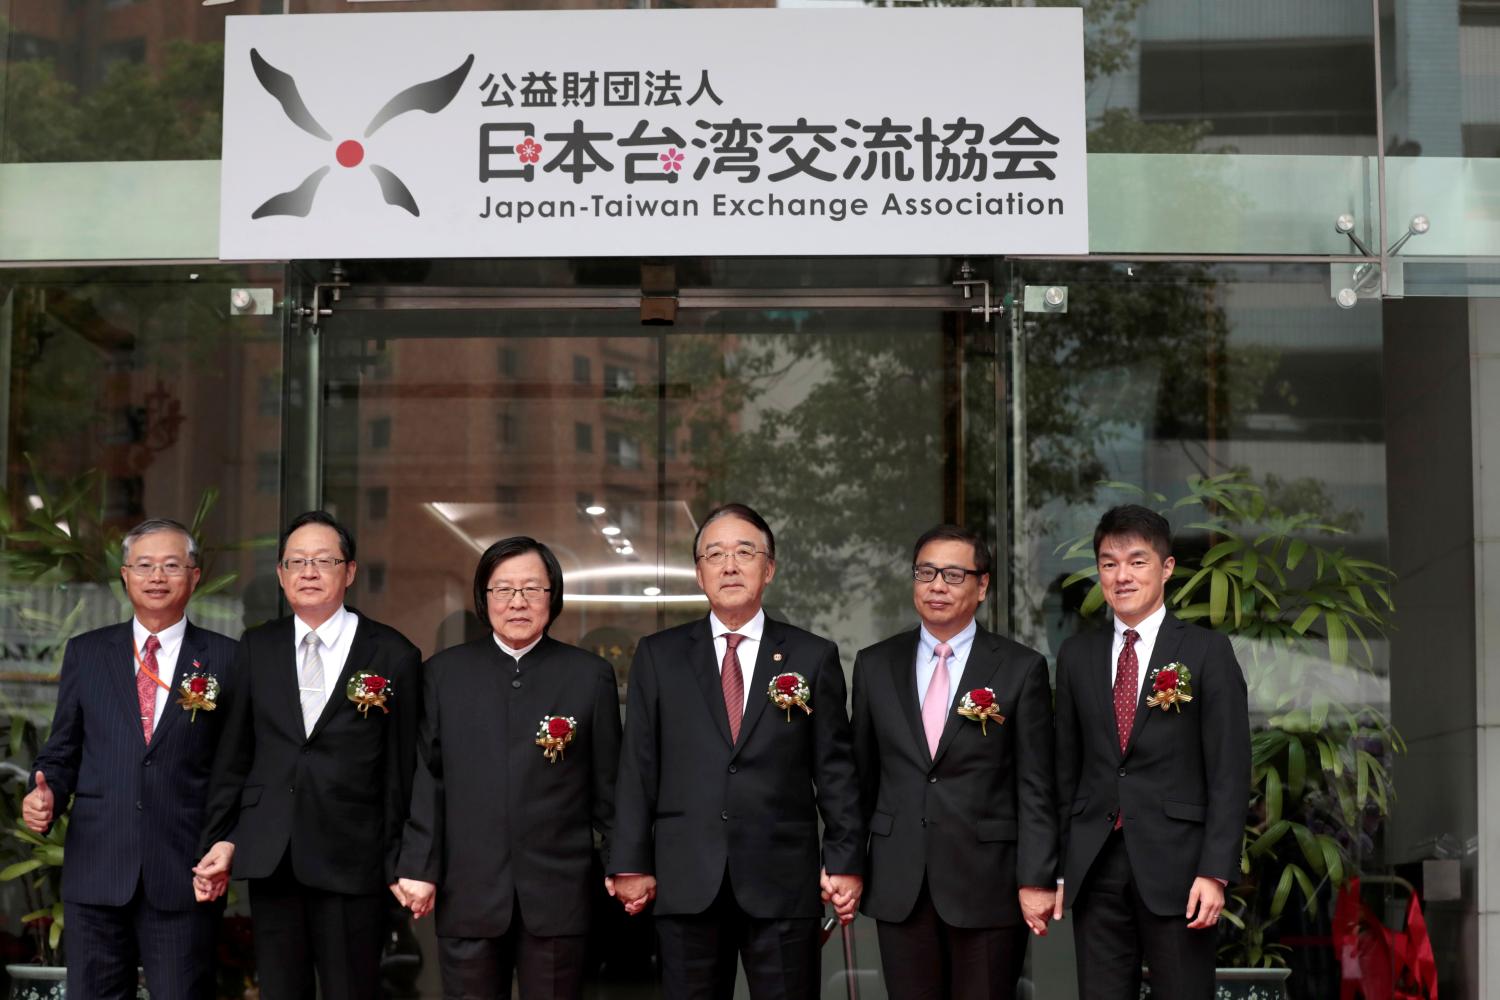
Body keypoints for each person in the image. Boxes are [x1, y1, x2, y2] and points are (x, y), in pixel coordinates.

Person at [608, 502, 864, 1000]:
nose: (730, 565)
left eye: (744, 553)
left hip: (783, 881)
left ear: (768, 568)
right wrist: (629, 862)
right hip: (687, 881)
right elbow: (637, 766)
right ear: (699, 572)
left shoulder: (812, 656)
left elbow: (835, 770)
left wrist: (845, 860)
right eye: (715, 554)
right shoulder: (659, 656)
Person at [193, 510, 421, 1000]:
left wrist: (400, 861)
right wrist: (221, 838)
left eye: (323, 560)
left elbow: (403, 771)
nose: (309, 572)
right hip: (274, 856)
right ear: (280, 575)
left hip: (353, 859)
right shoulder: (257, 646)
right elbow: (235, 755)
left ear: (350, 572)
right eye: (296, 562)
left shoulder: (392, 654)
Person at [394, 536, 621, 999]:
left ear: (552, 597)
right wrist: (418, 864)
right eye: (503, 589)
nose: (518, 602)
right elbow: (426, 778)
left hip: (558, 890)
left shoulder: (587, 677)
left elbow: (610, 787)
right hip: (468, 888)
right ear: (484, 598)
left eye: (532, 589)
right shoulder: (443, 675)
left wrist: (625, 864)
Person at [23, 518, 237, 1000]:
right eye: (144, 565)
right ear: (125, 575)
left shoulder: (226, 660)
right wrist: (47, 795)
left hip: (183, 874)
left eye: (170, 565)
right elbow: (62, 751)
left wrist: (226, 842)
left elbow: (234, 768)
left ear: (195, 576)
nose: (156, 576)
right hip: (97, 870)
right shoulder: (87, 653)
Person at [851, 524, 1056, 1000]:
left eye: (953, 574)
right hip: (900, 880)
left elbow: (1036, 785)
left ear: (982, 586)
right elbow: (860, 778)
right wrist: (845, 863)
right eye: (926, 572)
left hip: (989, 882)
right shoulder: (875, 664)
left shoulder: (1021, 667)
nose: (937, 585)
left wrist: (1037, 878)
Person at [1054, 504, 1251, 1000]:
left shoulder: (1207, 652)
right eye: (1108, 563)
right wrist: (1056, 865)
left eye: (1137, 562)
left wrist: (1215, 870)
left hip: (1181, 868)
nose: (1121, 576)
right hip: (1096, 864)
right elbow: (1064, 769)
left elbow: (1229, 770)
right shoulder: (1076, 656)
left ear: (1166, 568)